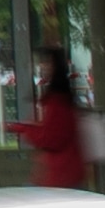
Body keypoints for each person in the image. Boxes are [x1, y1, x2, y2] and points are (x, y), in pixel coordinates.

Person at [18, 51, 91, 192]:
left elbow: (51, 138)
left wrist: (22, 128)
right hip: (62, 172)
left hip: (61, 174)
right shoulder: (59, 100)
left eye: (46, 63)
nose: (42, 67)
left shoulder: (57, 102)